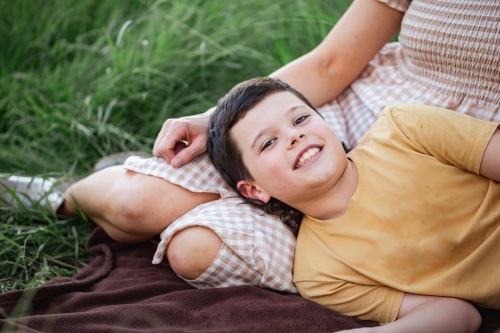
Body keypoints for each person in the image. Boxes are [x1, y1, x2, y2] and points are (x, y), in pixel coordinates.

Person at [4, 0, 498, 293]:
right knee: (137, 203)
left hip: (445, 175)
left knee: (193, 249)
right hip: (332, 123)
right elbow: (330, 64)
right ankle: (66, 193)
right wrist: (214, 117)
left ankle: (119, 173)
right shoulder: (304, 127)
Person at [207, 76, 500, 332]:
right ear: (254, 190)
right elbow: (460, 316)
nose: (295, 135)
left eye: (300, 119)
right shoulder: (319, 274)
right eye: (268, 143)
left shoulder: (403, 130)